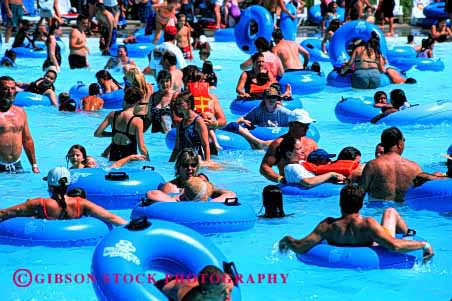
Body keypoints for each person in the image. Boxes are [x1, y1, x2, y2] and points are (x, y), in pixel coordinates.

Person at [278, 184, 434, 262]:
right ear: (360, 205)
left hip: (339, 251)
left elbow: (300, 246)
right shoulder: (367, 223)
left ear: (340, 203)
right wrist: (423, 244)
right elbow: (394, 246)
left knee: (390, 213)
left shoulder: (327, 225)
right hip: (372, 247)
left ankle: (406, 233)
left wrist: (286, 239)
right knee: (390, 212)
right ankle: (407, 233)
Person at [0, 167, 127, 225]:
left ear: (49, 185)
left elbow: (4, 213)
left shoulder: (38, 203)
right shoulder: (80, 203)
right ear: (68, 185)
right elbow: (110, 217)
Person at [147, 148, 234, 202]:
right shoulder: (171, 187)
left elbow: (230, 194)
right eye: (185, 165)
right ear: (178, 166)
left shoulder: (201, 182)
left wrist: (210, 204)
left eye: (193, 165)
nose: (189, 168)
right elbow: (152, 194)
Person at [361, 127, 421, 202]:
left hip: (377, 210)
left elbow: (360, 194)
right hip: (404, 211)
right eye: (404, 140)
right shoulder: (414, 167)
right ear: (399, 143)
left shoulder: (373, 165)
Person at [223, 86, 292, 149]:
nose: (271, 100)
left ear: (277, 98)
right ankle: (259, 143)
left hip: (276, 140)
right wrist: (242, 121)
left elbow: (298, 124)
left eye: (274, 97)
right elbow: (240, 121)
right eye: (269, 97)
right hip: (260, 138)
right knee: (234, 126)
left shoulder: (284, 113)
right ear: (264, 99)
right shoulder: (258, 111)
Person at [260, 109, 318, 183]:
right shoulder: (278, 144)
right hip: (291, 185)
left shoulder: (311, 143)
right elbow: (264, 167)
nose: (307, 127)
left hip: (311, 183)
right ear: (292, 124)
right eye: (303, 125)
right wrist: (280, 179)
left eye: (307, 124)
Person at [94, 87, 149, 162]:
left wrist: (113, 134)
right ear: (138, 102)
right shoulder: (137, 121)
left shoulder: (112, 115)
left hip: (113, 157)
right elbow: (141, 147)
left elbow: (97, 134)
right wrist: (148, 162)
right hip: (129, 160)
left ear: (124, 98)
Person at [0, 76, 39, 174]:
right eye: (6, 88)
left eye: (13, 88)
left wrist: (34, 165)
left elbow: (27, 140)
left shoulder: (20, 112)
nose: (10, 92)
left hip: (17, 165)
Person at [280, 137, 346, 187]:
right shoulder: (293, 167)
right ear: (289, 154)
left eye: (302, 147)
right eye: (299, 149)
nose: (303, 150)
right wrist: (331, 174)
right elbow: (308, 182)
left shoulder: (300, 163)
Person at [169, 91, 212, 163]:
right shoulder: (180, 123)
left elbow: (205, 145)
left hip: (197, 159)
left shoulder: (198, 122)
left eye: (180, 104)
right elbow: (177, 148)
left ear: (188, 104)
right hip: (185, 158)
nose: (177, 106)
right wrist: (170, 163)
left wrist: (207, 162)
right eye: (176, 104)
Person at [157, 265, 234, 301]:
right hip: (162, 289)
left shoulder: (225, 282)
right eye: (222, 292)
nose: (227, 294)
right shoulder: (191, 298)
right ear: (206, 293)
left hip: (183, 280)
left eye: (226, 288)